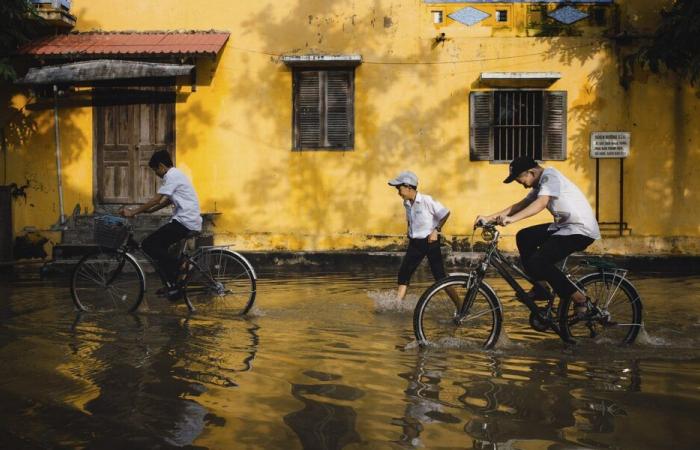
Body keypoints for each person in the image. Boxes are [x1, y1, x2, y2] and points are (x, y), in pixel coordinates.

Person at [474, 155, 601, 317]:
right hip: (564, 226)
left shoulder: (550, 176)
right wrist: (489, 218)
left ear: (531, 172)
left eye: (520, 180)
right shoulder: (540, 184)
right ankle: (541, 287)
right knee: (524, 236)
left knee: (539, 261)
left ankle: (580, 299)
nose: (522, 185)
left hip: (580, 229)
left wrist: (511, 220)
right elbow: (520, 205)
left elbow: (540, 204)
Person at [119, 150, 202, 300]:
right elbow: (168, 200)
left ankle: (181, 267)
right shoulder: (177, 174)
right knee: (159, 247)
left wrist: (134, 212)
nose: (156, 173)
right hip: (187, 220)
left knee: (148, 245)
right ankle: (172, 285)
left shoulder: (171, 176)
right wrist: (150, 211)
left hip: (185, 221)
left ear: (162, 166)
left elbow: (157, 199)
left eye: (155, 170)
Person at [388, 171, 457, 303]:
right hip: (415, 244)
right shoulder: (406, 203)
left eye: (399, 188)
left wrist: (436, 230)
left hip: (430, 243)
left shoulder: (426, 200)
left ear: (409, 187)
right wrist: (409, 230)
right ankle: (397, 304)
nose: (398, 192)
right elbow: (411, 219)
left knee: (440, 278)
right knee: (404, 274)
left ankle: (460, 306)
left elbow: (445, 213)